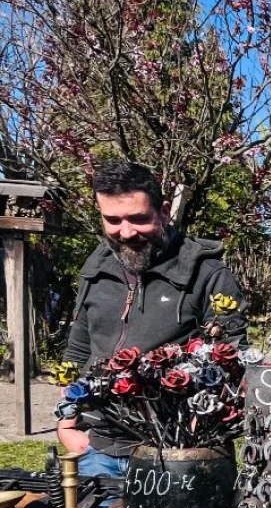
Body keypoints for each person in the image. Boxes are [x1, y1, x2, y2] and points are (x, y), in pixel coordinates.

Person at [58, 160, 248, 477]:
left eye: (138, 218)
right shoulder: (96, 268)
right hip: (100, 449)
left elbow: (232, 364)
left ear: (163, 212)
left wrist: (190, 441)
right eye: (113, 220)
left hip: (178, 454)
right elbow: (77, 352)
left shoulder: (207, 273)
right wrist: (66, 423)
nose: (126, 232)